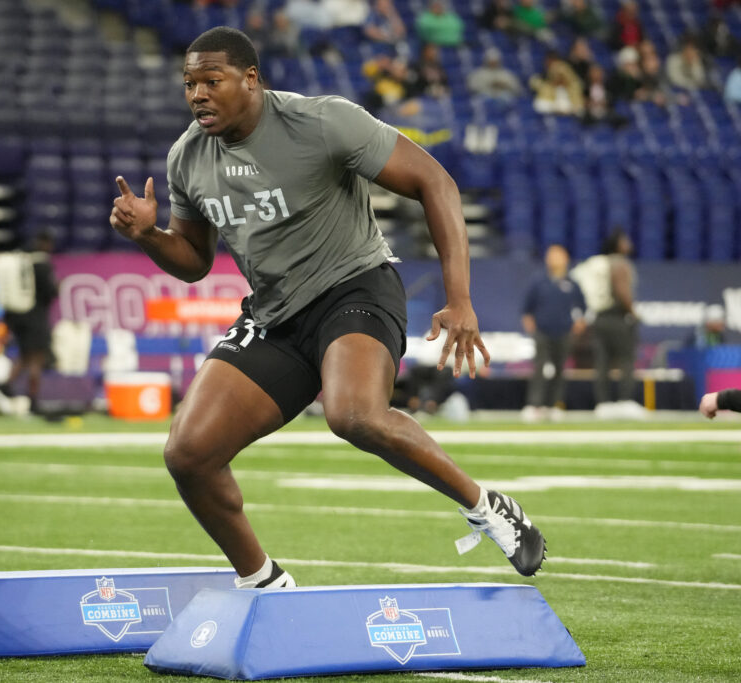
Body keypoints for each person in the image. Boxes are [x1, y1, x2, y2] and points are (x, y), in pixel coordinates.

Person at [109, 26, 547, 588]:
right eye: (189, 83)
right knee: (189, 453)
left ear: (251, 79)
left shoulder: (320, 121)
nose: (197, 94)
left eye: (211, 81)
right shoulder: (188, 156)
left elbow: (435, 182)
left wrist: (459, 299)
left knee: (354, 414)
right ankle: (264, 582)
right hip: (274, 313)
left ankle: (485, 505)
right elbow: (194, 260)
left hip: (355, 287)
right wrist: (149, 235)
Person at [573, 229, 642, 419]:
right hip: (617, 316)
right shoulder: (619, 263)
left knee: (602, 362)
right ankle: (625, 401)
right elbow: (621, 290)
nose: (629, 243)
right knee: (626, 359)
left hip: (599, 318)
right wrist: (633, 313)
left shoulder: (598, 263)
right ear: (618, 243)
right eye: (625, 239)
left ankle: (603, 403)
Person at [521, 245, 586, 422]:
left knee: (560, 370)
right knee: (539, 368)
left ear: (565, 258)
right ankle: (535, 405)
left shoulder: (572, 283)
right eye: (550, 255)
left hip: (564, 332)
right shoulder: (538, 281)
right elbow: (527, 309)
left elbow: (582, 307)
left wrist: (579, 323)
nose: (553, 259)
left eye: (557, 255)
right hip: (542, 331)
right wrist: (531, 326)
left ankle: (553, 405)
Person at [2, 231, 59, 412]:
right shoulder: (42, 265)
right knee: (36, 358)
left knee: (25, 355)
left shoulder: (22, 263)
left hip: (19, 317)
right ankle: (33, 399)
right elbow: (50, 292)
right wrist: (58, 286)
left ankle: (7, 384)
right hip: (36, 319)